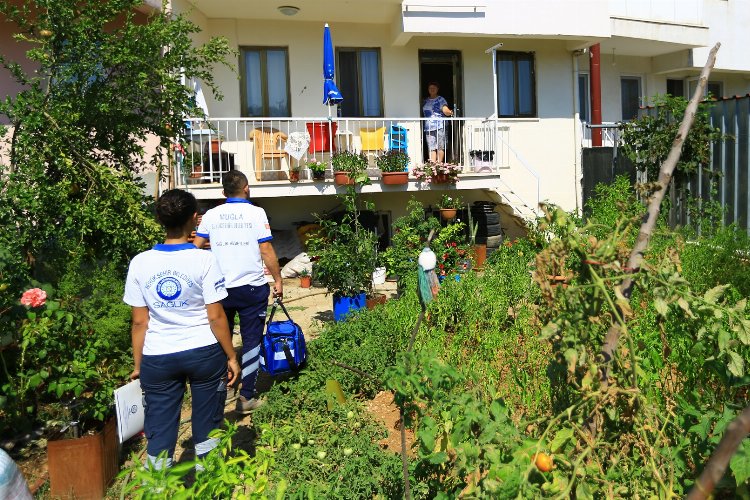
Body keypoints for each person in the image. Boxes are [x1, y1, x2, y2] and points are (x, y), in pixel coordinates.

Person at [123, 189, 239, 470]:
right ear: (194, 219)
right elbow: (215, 317)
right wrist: (231, 355)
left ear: (161, 220)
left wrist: (139, 365)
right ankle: (209, 484)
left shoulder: (140, 262)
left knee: (159, 428)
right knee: (208, 422)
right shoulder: (204, 260)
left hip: (158, 356)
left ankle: (158, 487)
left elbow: (140, 322)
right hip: (203, 353)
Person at [193, 171, 283, 414]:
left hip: (218, 289)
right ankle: (246, 397)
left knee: (220, 339)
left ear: (223, 193)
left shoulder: (211, 215)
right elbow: (265, 248)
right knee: (252, 340)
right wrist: (277, 279)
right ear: (246, 188)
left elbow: (195, 248)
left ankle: (222, 390)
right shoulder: (256, 212)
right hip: (251, 288)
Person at [422, 81, 453, 162]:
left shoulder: (440, 99)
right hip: (428, 127)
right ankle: (433, 166)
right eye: (430, 88)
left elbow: (445, 109)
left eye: (434, 88)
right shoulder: (425, 100)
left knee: (440, 146)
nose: (432, 89)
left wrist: (449, 112)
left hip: (440, 125)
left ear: (437, 89)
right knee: (431, 147)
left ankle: (439, 165)